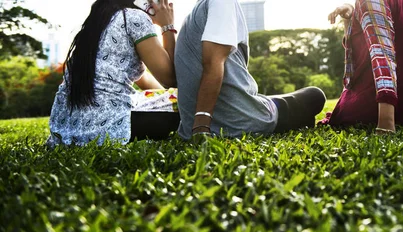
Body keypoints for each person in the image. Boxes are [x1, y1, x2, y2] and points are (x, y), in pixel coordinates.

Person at [175, 0, 326, 140]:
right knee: (315, 95)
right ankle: (271, 110)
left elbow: (172, 78)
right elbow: (213, 63)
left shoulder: (192, 17)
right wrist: (201, 127)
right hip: (241, 121)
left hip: (191, 127)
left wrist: (166, 27)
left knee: (272, 100)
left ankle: (267, 104)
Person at [47, 0, 178, 146]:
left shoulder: (97, 22)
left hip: (67, 130)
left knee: (177, 99)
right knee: (191, 105)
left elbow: (145, 80)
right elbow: (170, 78)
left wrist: (168, 96)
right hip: (109, 127)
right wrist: (167, 26)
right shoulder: (135, 18)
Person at [321, 0, 403, 134]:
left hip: (381, 109)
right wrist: (350, 17)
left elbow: (383, 56)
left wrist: (386, 122)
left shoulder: (369, 2)